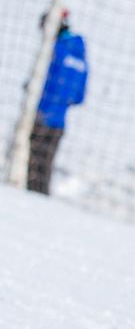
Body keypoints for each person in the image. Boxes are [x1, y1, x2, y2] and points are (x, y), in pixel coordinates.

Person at [27, 12, 88, 195]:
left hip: (41, 115)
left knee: (31, 168)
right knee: (45, 167)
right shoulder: (81, 56)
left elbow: (41, 82)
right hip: (59, 122)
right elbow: (79, 96)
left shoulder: (54, 50)